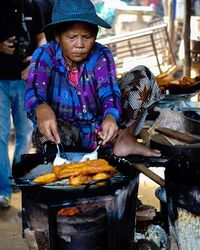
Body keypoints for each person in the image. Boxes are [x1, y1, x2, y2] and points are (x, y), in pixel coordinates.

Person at [25, 0, 163, 162]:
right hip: (64, 135)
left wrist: (111, 117)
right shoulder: (45, 54)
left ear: (95, 35)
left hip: (101, 135)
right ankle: (64, 161)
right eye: (72, 37)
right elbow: (33, 90)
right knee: (44, 135)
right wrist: (40, 107)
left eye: (87, 37)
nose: (80, 44)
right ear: (57, 36)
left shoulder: (101, 55)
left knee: (142, 74)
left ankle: (125, 139)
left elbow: (109, 92)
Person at [0, 0, 47, 208]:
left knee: (25, 133)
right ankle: (3, 189)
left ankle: (17, 177)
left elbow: (42, 39)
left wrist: (34, 63)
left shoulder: (33, 5)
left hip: (24, 81)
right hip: (0, 80)